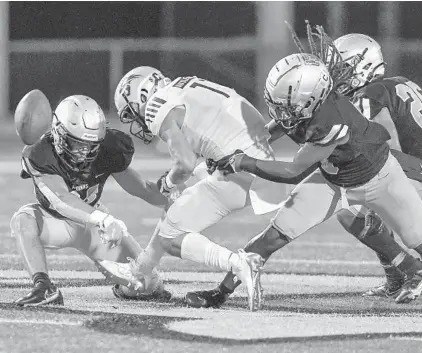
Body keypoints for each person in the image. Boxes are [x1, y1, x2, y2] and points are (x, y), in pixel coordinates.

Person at [184, 43, 422, 308]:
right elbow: (267, 133)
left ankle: (412, 268)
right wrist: (228, 152)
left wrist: (243, 162)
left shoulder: (332, 120)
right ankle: (221, 292)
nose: (281, 112)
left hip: (380, 178)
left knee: (416, 237)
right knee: (274, 234)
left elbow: (292, 172)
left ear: (312, 99)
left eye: (288, 106)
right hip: (335, 181)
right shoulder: (308, 106)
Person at [108, 65, 296, 311]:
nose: (138, 119)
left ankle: (238, 262)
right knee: (176, 208)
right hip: (254, 160)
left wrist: (167, 182)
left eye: (133, 112)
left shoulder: (157, 105)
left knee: (171, 236)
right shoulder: (185, 82)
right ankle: (141, 272)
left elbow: (185, 163)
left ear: (142, 97)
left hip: (241, 170)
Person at [11, 94, 170, 306]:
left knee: (148, 286)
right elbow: (61, 200)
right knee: (23, 219)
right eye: (77, 145)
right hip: (56, 221)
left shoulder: (107, 151)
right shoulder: (40, 154)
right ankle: (43, 286)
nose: (84, 153)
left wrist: (173, 199)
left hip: (94, 228)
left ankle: (124, 287)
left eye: (91, 145)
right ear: (59, 134)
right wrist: (103, 220)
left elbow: (142, 189)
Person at [331, 33, 422, 299]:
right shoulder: (397, 83)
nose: (337, 74)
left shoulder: (372, 92)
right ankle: (397, 277)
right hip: (413, 161)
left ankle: (409, 273)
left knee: (353, 207)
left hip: (414, 164)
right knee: (364, 204)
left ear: (364, 66)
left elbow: (350, 135)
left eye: (343, 68)